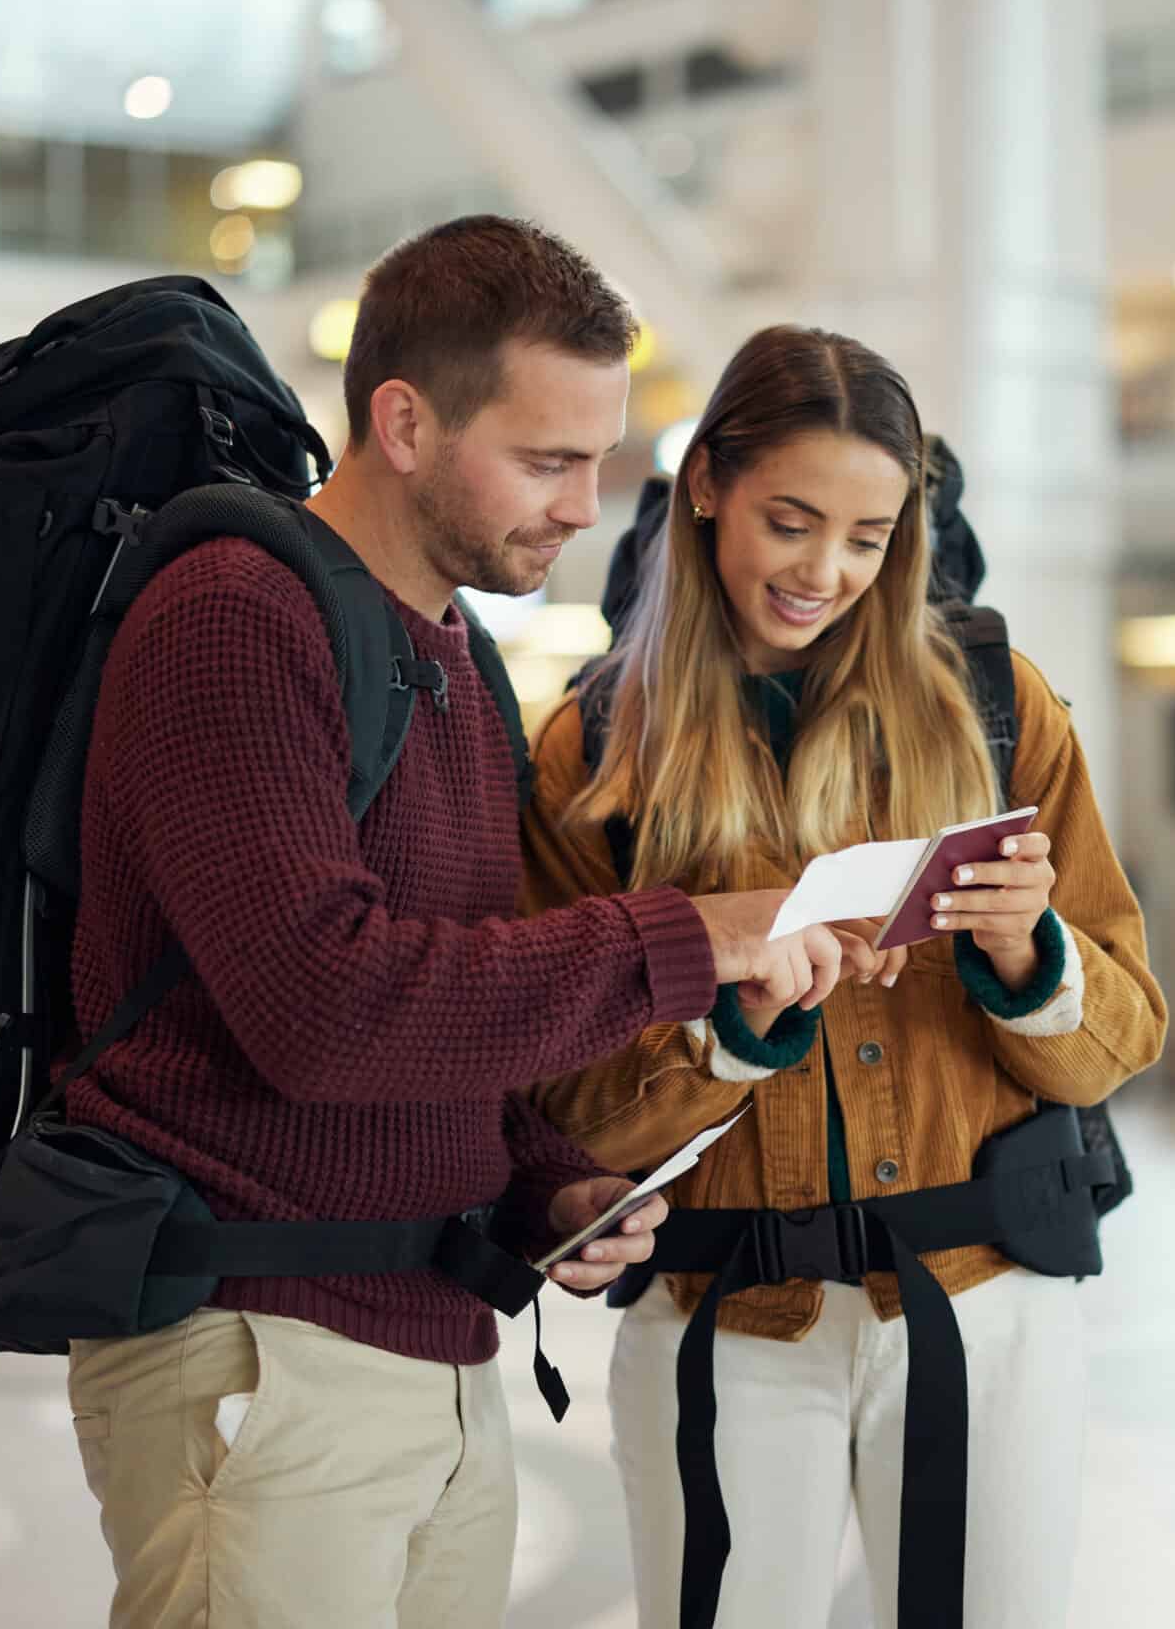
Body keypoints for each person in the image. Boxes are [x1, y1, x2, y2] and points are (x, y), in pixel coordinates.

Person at [58, 219, 846, 1629]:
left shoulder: (454, 659)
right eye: (545, 462)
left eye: (597, 463)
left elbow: (452, 1001)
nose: (582, 507)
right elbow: (326, 1008)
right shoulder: (234, 613)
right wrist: (686, 938)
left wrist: (547, 1182)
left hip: (439, 1348)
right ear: (403, 422)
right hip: (260, 1352)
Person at [522, 325, 1168, 1629]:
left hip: (989, 1307)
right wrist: (729, 1037)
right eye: (791, 521)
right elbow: (562, 1106)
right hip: (724, 1318)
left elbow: (1128, 1030)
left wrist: (1027, 955)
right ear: (706, 482)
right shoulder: (598, 750)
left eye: (868, 540)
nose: (824, 572)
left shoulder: (997, 706)